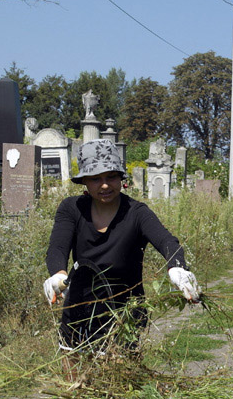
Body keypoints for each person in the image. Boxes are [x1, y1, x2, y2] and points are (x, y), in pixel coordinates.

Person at [43, 139, 200, 367]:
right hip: (80, 308)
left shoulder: (136, 213)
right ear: (85, 182)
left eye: (111, 177)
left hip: (124, 313)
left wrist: (177, 267)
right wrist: (57, 274)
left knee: (119, 385)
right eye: (96, 178)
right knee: (75, 382)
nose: (104, 185)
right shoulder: (71, 208)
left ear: (120, 178)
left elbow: (166, 240)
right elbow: (57, 246)